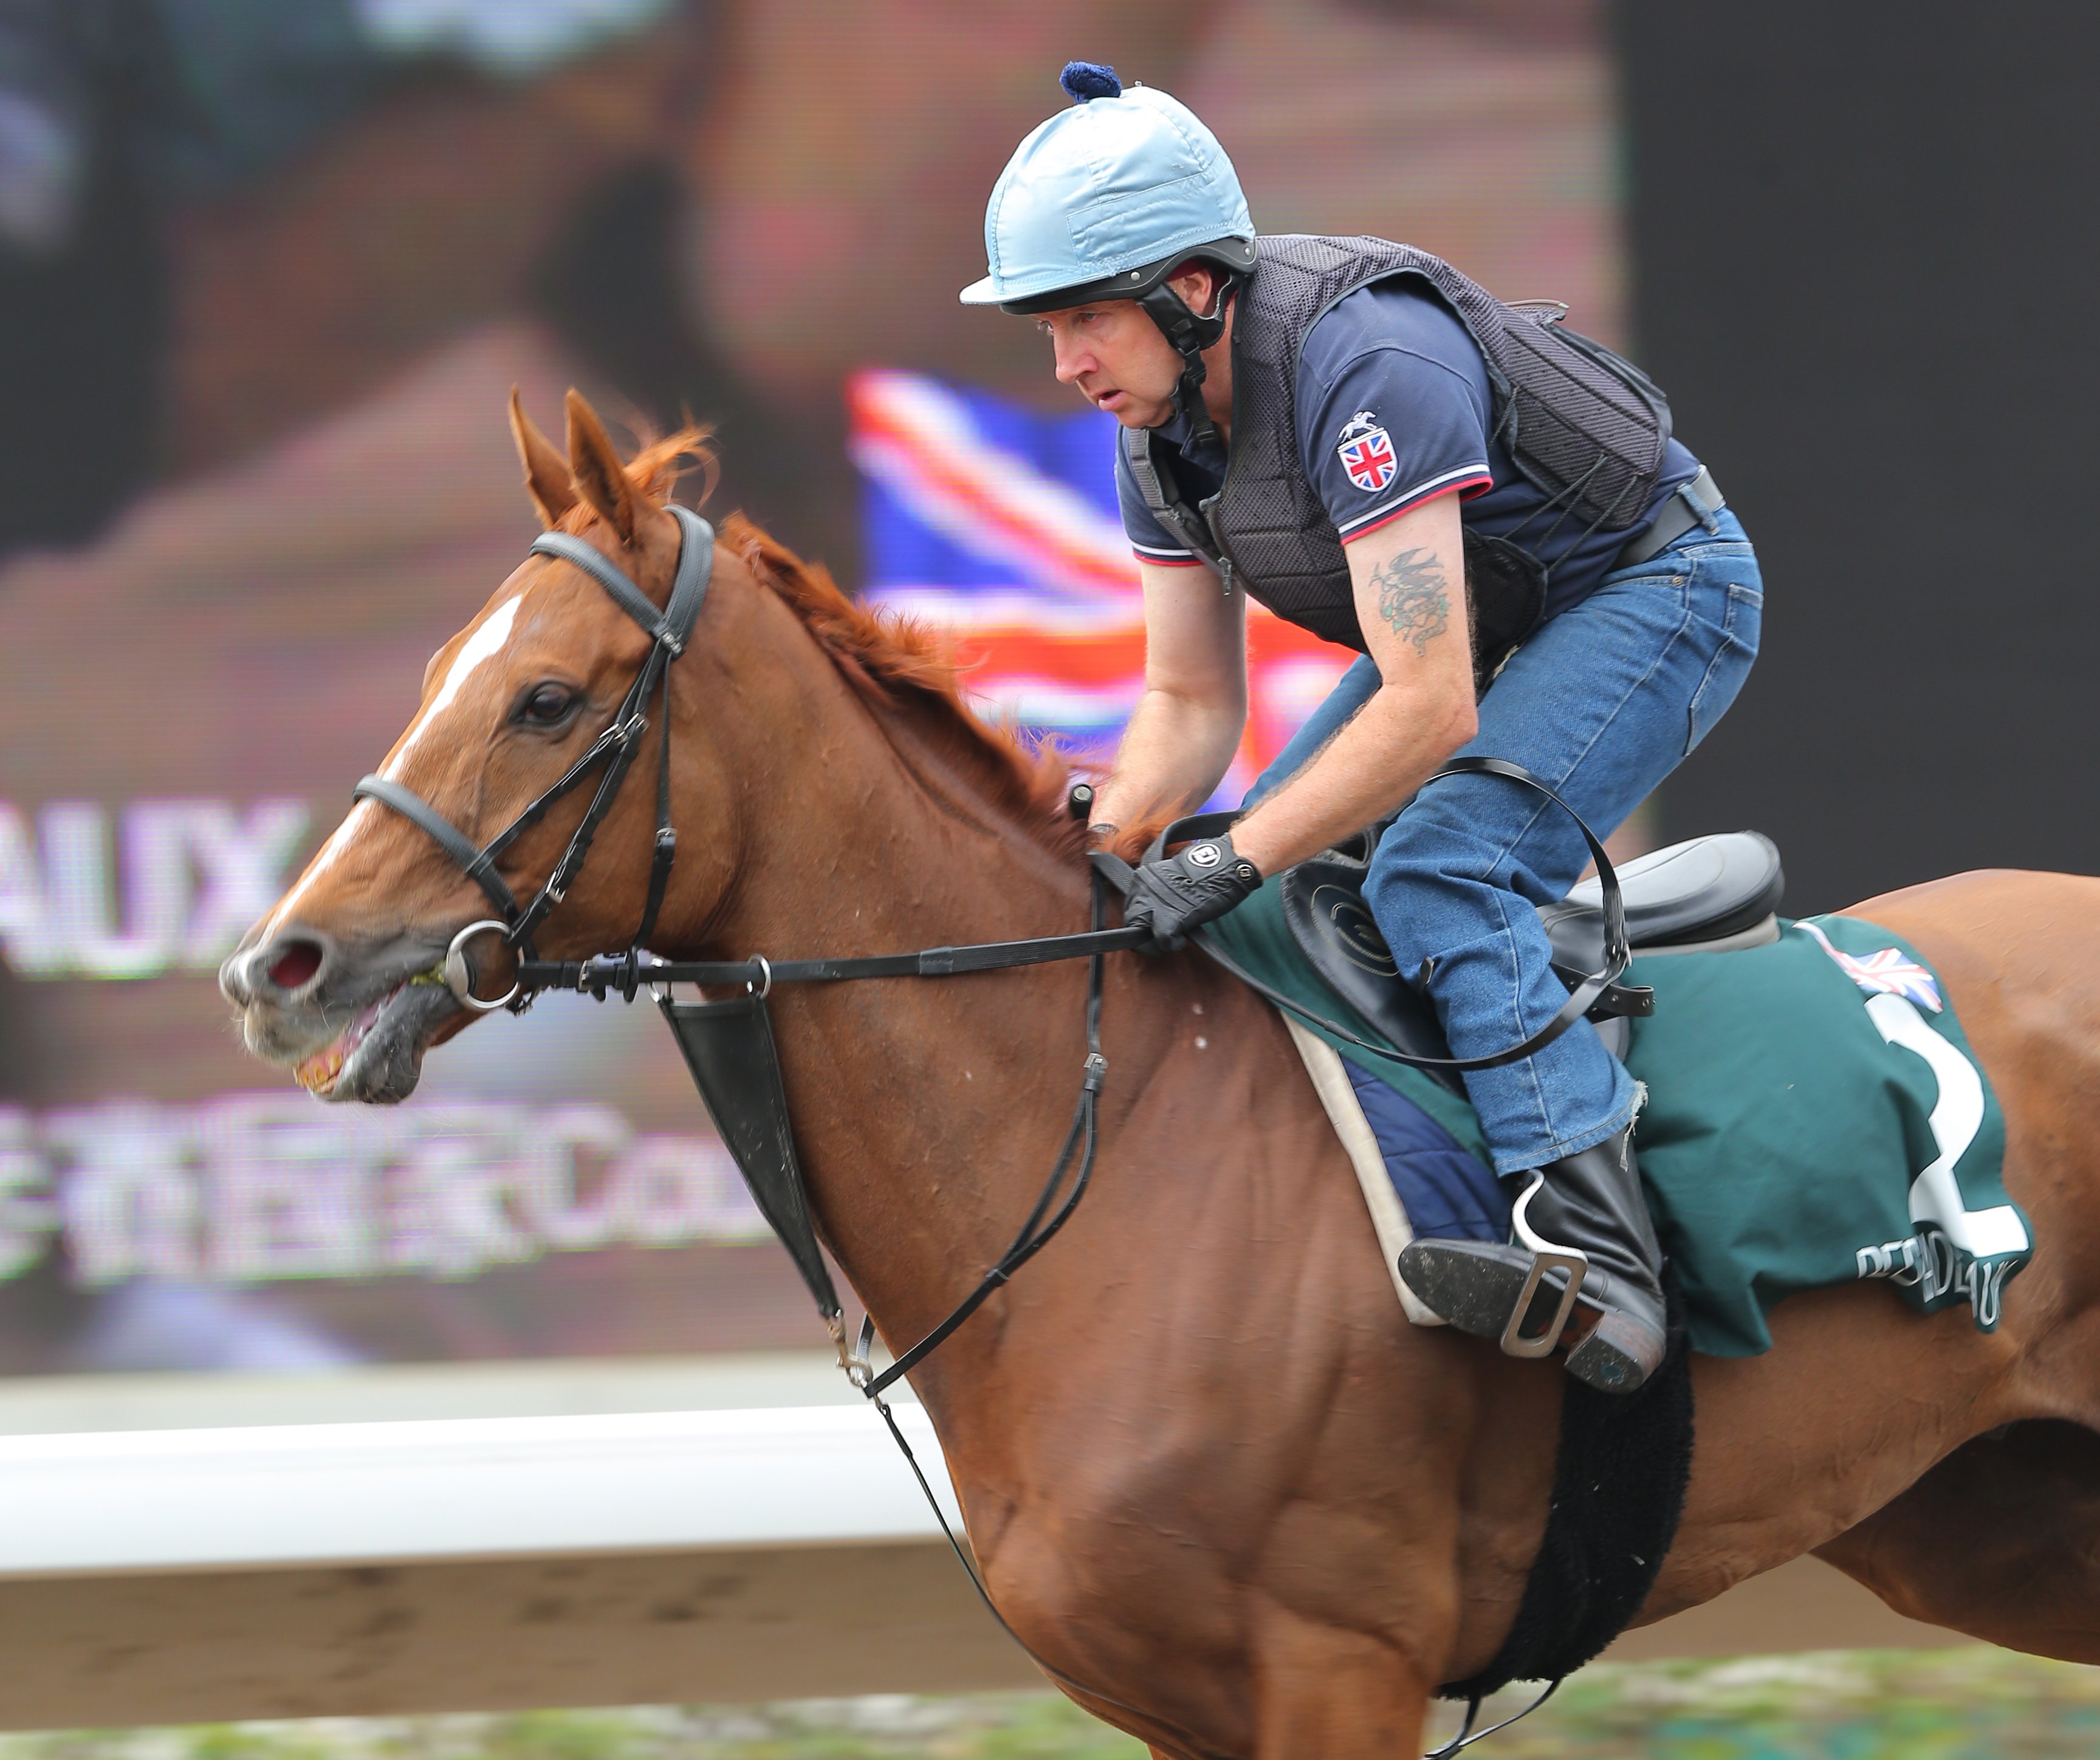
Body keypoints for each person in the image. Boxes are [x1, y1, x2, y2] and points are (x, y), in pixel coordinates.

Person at [959, 62, 1763, 1392]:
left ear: (1195, 288)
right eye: (1047, 329)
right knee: (1302, 868)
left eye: (1088, 318)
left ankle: (1603, 1260)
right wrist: (1098, 847)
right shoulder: (1155, 424)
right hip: (1489, 619)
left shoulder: (1368, 358)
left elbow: (1431, 702)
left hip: (1655, 590)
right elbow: (1190, 704)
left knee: (1436, 865)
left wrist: (1226, 858)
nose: (1068, 365)